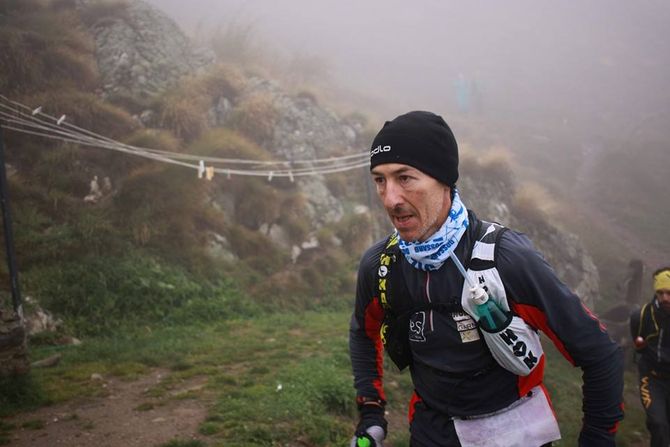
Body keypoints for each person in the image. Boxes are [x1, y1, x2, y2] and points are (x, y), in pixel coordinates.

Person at [349, 111, 624, 446]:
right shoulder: (382, 265)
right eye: (380, 180)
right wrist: (372, 412)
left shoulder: (507, 258)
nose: (390, 198)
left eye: (405, 178)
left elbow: (598, 353)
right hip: (431, 430)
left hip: (516, 432)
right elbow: (363, 334)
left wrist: (597, 437)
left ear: (444, 180)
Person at [630, 267, 670, 447]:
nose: (665, 298)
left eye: (669, 293)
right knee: (658, 424)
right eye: (660, 293)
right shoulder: (641, 316)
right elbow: (637, 345)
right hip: (651, 378)